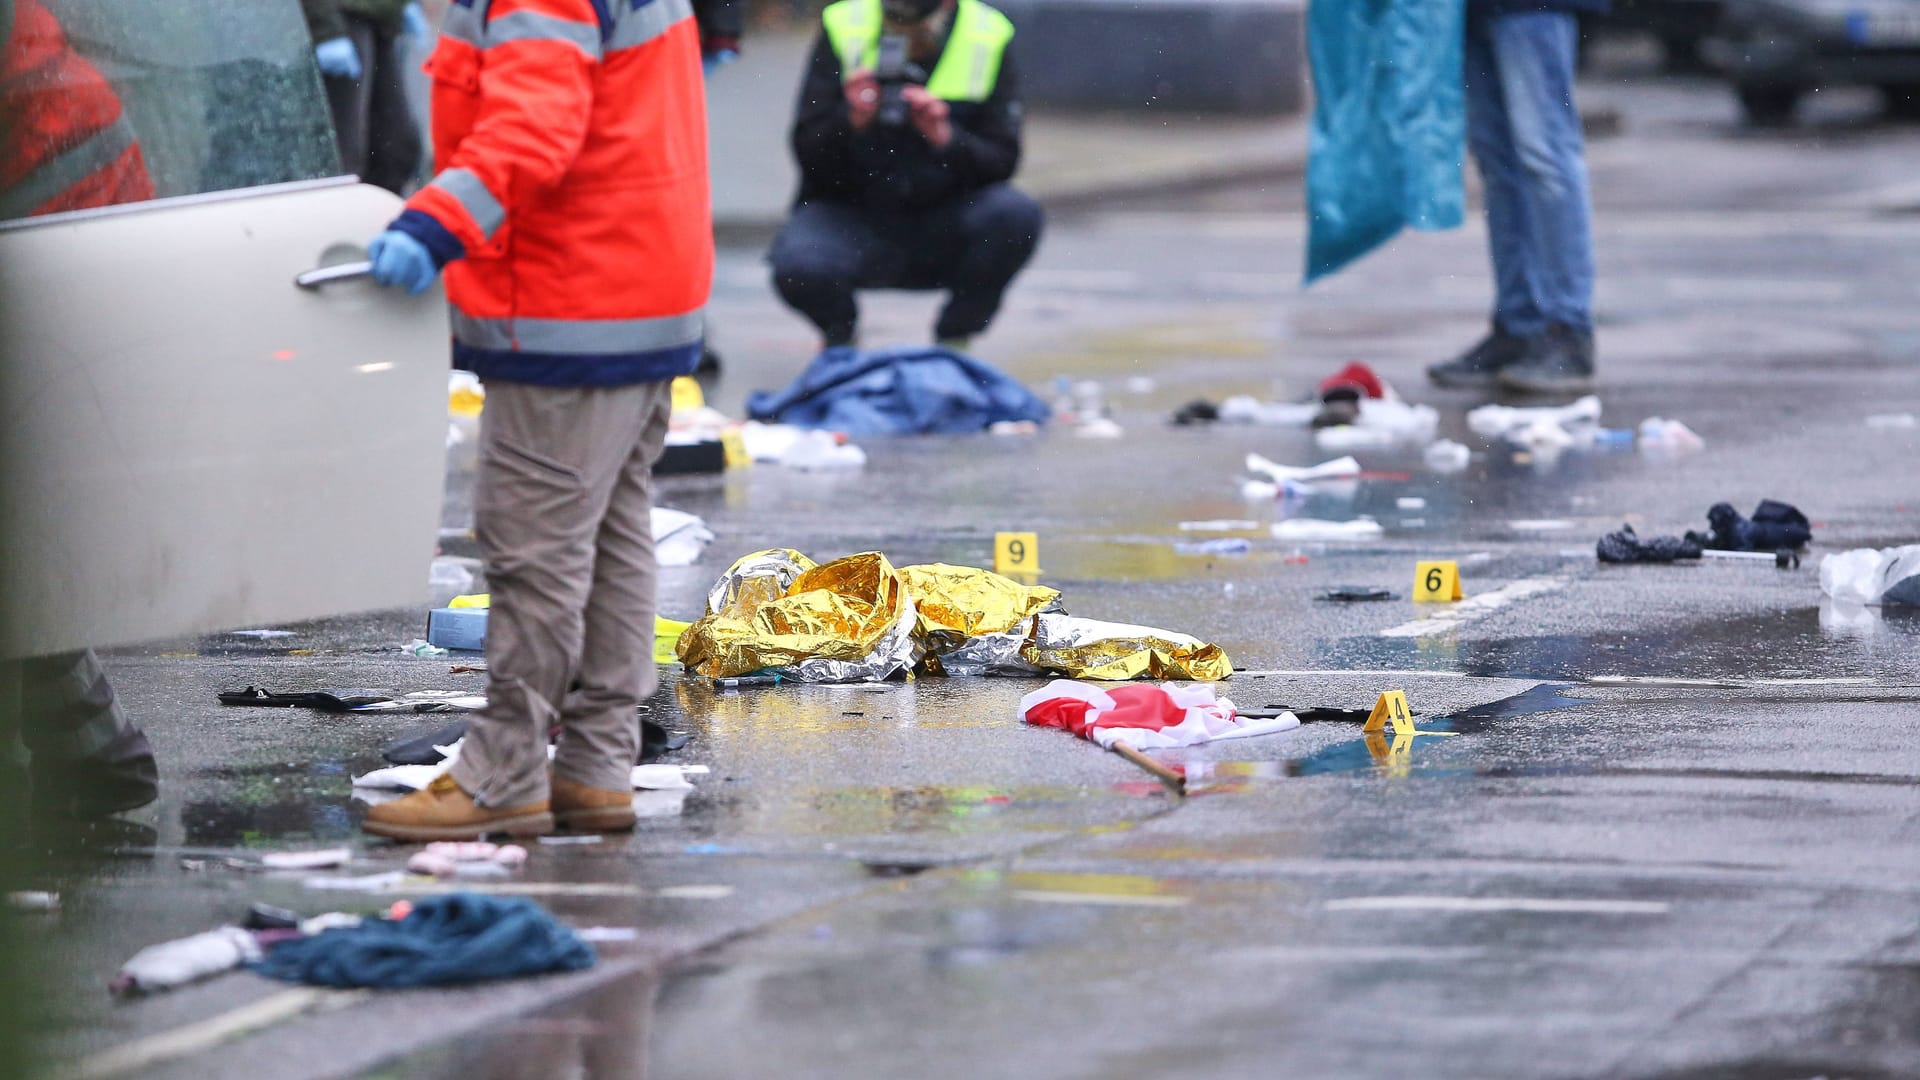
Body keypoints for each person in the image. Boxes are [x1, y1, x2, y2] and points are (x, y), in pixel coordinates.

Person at [357, 0, 713, 841]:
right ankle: (596, 764)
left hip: (570, 293)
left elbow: (533, 127)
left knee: (534, 548)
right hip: (637, 288)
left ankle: (503, 770)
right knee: (612, 535)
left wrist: (435, 223)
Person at [768, 0, 1040, 353]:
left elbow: (1003, 160)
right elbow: (807, 149)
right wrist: (850, 122)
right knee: (798, 262)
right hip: (852, 217)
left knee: (1014, 216)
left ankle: (955, 341)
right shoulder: (844, 23)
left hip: (943, 221)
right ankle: (840, 340)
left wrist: (946, 137)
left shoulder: (987, 32)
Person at [1426, 0, 1602, 394]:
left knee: (1545, 156)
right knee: (1498, 163)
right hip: (1469, 10)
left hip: (1533, 6)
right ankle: (1518, 328)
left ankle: (1567, 331)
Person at [300, 0, 426, 196]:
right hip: (339, 20)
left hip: (378, 18)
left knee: (394, 149)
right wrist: (324, 29)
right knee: (343, 158)